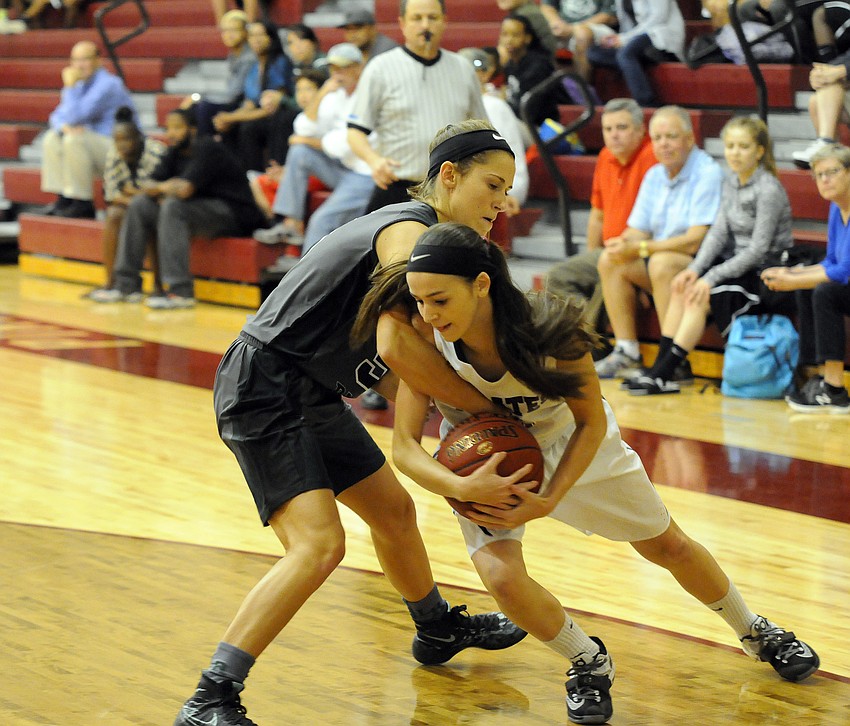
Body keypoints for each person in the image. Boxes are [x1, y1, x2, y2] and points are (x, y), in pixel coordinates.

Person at [358, 220, 819, 725]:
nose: (428, 314)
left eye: (440, 300)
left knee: (667, 546)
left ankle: (754, 629)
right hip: (485, 461)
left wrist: (551, 497)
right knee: (501, 579)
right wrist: (461, 485)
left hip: (573, 443)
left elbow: (591, 421)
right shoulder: (426, 340)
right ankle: (587, 660)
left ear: (482, 284)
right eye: (419, 301)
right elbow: (405, 448)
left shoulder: (550, 326)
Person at [172, 120, 528, 726]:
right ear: (449, 176)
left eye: (507, 190)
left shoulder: (428, 238)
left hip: (310, 387)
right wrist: (481, 407)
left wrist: (453, 408)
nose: (501, 202)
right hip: (265, 384)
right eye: (492, 185)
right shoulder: (409, 230)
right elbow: (400, 320)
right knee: (319, 545)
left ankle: (436, 628)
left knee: (393, 512)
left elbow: (390, 366)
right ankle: (211, 697)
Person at [627, 115, 794, 395]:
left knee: (700, 296)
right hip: (736, 267)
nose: (735, 153)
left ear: (759, 151)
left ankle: (664, 373)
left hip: (765, 273)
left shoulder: (768, 189)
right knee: (684, 285)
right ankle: (661, 369)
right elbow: (717, 233)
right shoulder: (730, 182)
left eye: (743, 147)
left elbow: (758, 250)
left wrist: (710, 277)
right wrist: (694, 270)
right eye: (730, 146)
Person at [593, 106, 723, 380]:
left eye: (671, 137)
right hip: (662, 261)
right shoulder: (655, 174)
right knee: (610, 259)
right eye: (658, 138)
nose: (663, 144)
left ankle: (673, 360)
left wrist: (642, 248)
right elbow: (638, 229)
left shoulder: (707, 172)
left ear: (690, 138)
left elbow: (695, 241)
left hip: (702, 267)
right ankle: (627, 351)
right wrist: (623, 243)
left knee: (661, 264)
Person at [100, 108, 266, 309]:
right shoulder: (174, 151)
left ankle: (179, 291)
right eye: (168, 128)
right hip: (200, 211)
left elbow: (184, 190)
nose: (171, 133)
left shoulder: (208, 149)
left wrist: (161, 188)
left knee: (173, 206)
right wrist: (164, 187)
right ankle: (126, 285)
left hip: (233, 214)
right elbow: (147, 185)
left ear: (192, 130)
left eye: (177, 128)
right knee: (140, 204)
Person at [347, 0, 488, 213]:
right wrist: (374, 161)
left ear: (444, 21)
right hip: (398, 187)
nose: (425, 25)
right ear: (402, 23)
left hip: (451, 190)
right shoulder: (380, 68)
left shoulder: (463, 68)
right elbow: (355, 132)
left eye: (432, 17)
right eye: (417, 18)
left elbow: (482, 131)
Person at [546, 98, 657, 332]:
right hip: (608, 251)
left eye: (622, 127)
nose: (614, 135)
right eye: (608, 129)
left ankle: (586, 343)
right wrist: (593, 258)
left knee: (607, 279)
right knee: (556, 278)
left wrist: (641, 280)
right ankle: (587, 337)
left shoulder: (654, 157)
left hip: (638, 252)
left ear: (641, 130)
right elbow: (597, 216)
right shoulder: (605, 156)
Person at [253, 43, 375, 253]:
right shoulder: (336, 94)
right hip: (343, 168)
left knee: (321, 220)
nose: (336, 74)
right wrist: (322, 93)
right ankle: (292, 223)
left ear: (358, 68)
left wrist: (307, 141)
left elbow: (347, 144)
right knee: (300, 152)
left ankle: (307, 271)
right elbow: (303, 127)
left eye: (343, 68)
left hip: (366, 175)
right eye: (333, 68)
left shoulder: (370, 94)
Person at [763, 142, 850, 413]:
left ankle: (834, 390)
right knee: (807, 286)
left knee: (824, 292)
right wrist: (793, 273)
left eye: (832, 172)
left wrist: (794, 279)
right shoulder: (837, 207)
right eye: (819, 175)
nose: (824, 180)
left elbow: (844, 271)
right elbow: (831, 261)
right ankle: (816, 375)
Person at [40, 40, 136, 220]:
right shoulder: (79, 84)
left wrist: (69, 87)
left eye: (85, 59)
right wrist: (63, 127)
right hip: (94, 147)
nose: (79, 65)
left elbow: (76, 117)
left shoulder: (108, 84)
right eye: (75, 60)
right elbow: (56, 116)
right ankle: (64, 198)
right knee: (52, 137)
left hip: (119, 149)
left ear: (98, 60)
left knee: (74, 140)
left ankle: (83, 203)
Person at [87, 107, 168, 302]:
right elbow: (112, 194)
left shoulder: (156, 152)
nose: (121, 145)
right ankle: (113, 283)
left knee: (143, 214)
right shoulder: (114, 154)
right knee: (114, 215)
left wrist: (133, 194)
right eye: (117, 140)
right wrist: (135, 197)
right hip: (136, 205)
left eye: (127, 139)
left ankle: (158, 285)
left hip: (160, 207)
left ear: (139, 138)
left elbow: (159, 193)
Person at [213, 19, 293, 171]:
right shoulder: (254, 67)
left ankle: (256, 173)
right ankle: (235, 175)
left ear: (271, 38)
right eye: (251, 35)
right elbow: (249, 103)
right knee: (228, 127)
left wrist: (232, 117)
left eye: (260, 35)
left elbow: (271, 108)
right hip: (260, 115)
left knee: (248, 128)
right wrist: (228, 118)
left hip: (280, 116)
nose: (255, 39)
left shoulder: (280, 63)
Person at [458, 46, 529, 214]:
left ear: (484, 74)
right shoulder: (454, 104)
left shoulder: (494, 106)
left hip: (501, 187)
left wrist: (505, 192)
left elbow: (508, 158)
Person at [582, 0, 685, 107]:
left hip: (661, 35)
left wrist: (624, 38)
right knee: (594, 53)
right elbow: (626, 23)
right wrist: (617, 39)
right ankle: (633, 67)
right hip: (634, 40)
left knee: (625, 55)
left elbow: (658, 18)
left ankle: (647, 104)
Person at [185, 10, 256, 138]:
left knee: (204, 108)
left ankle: (206, 145)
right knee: (188, 110)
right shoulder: (233, 54)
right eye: (225, 30)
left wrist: (200, 98)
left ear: (245, 32)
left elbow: (235, 92)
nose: (229, 35)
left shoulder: (249, 57)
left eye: (234, 30)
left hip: (246, 104)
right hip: (236, 100)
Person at [498, 12, 558, 129]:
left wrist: (501, 103)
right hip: (518, 121)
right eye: (505, 34)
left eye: (515, 35)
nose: (509, 40)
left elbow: (530, 110)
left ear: (527, 38)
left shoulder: (538, 66)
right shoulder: (510, 65)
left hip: (539, 127)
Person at [540, 0, 618, 79]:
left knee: (582, 34)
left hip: (600, 28)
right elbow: (547, 7)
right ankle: (559, 84)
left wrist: (572, 29)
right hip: (564, 27)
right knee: (539, 31)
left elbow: (609, 16)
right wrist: (556, 23)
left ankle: (582, 84)